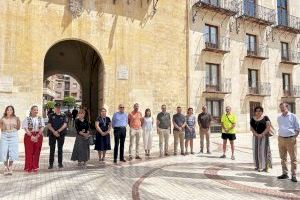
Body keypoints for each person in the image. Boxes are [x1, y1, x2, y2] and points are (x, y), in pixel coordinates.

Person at [277, 103, 300, 182]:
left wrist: (294, 137)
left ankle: (293, 175)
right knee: (283, 158)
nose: (282, 109)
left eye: (283, 107)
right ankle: (285, 173)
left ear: (287, 107)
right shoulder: (279, 117)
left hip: (290, 139)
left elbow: (298, 128)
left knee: (293, 158)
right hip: (281, 139)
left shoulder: (293, 116)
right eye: (280, 108)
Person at [22, 106, 45, 172]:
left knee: (37, 152)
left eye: (37, 110)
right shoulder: (27, 119)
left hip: (38, 135)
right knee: (29, 152)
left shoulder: (40, 118)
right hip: (29, 136)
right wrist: (31, 136)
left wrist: (37, 135)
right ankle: (28, 166)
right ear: (31, 111)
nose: (36, 111)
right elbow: (25, 128)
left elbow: (42, 127)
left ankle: (35, 166)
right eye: (34, 110)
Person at [250, 106, 272, 172]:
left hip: (264, 137)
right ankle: (258, 166)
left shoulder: (265, 118)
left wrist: (262, 134)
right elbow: (252, 128)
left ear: (262, 112)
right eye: (256, 111)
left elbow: (268, 127)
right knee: (256, 151)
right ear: (255, 112)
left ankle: (266, 167)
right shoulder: (252, 119)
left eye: (259, 111)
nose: (258, 112)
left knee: (264, 151)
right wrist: (256, 134)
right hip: (255, 137)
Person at [0, 106, 20, 175]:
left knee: (12, 151)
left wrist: (18, 121)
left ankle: (10, 167)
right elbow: (1, 128)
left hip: (13, 135)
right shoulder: (2, 119)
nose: (9, 111)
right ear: (6, 111)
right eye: (8, 110)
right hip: (5, 135)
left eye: (11, 110)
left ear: (13, 111)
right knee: (4, 151)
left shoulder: (16, 118)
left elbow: (18, 128)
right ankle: (5, 167)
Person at [47, 103, 68, 169]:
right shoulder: (51, 115)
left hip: (61, 134)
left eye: (59, 107)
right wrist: (54, 132)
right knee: (52, 149)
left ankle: (60, 163)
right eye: (56, 107)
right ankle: (51, 164)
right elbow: (49, 125)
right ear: (54, 108)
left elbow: (65, 125)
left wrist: (58, 131)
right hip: (52, 134)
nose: (58, 109)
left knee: (60, 149)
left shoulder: (64, 115)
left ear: (60, 108)